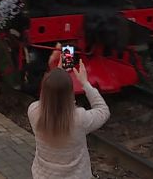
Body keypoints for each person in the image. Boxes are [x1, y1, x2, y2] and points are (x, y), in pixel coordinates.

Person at [27, 49, 110, 179]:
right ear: (69, 93)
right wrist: (85, 83)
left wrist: (57, 75)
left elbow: (49, 98)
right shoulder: (79, 118)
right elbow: (103, 111)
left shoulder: (33, 111)